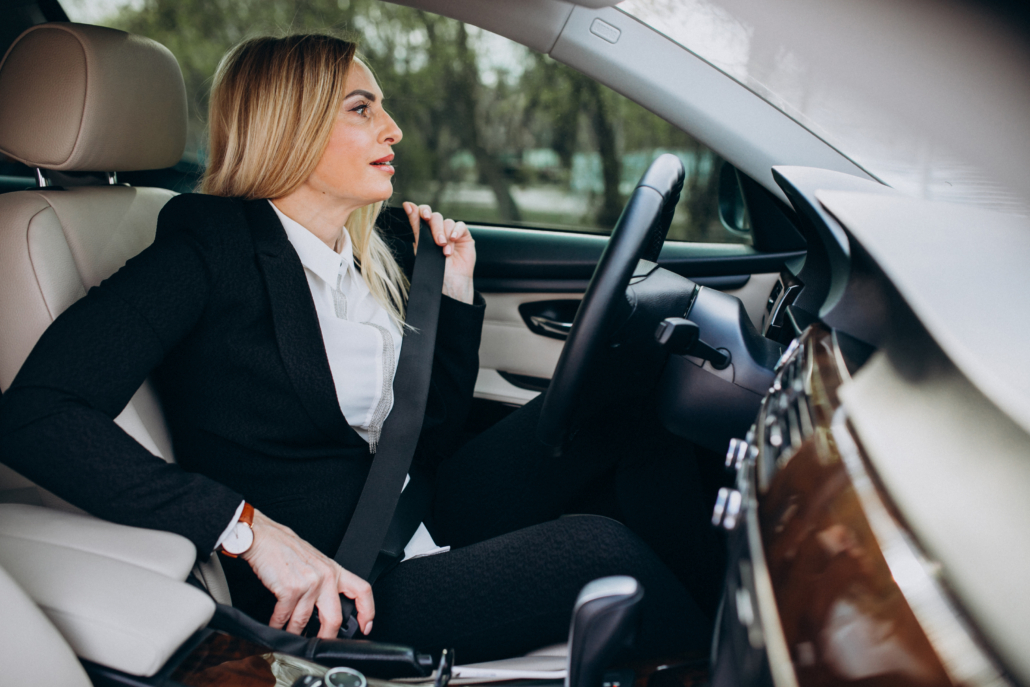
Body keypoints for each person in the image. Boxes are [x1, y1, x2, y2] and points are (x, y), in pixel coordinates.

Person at [0, 34, 711, 663]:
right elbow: (36, 415)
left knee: (636, 422)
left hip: (411, 501)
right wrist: (247, 530)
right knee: (600, 552)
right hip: (342, 579)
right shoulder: (206, 248)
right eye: (362, 109)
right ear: (293, 126)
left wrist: (455, 294)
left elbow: (425, 437)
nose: (393, 129)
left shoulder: (373, 248)